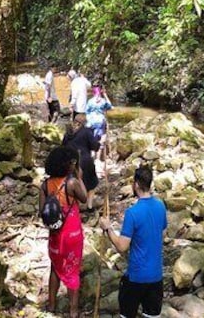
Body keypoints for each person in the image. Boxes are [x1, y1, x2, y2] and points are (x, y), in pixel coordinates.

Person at [99, 165, 167, 318]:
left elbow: (122, 246)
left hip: (136, 276)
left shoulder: (132, 213)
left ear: (136, 185)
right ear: (150, 183)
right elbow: (163, 235)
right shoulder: (160, 206)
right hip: (156, 276)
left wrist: (108, 228)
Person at [39, 146, 87, 318]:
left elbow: (42, 211)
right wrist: (79, 177)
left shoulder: (45, 185)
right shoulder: (72, 183)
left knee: (55, 267)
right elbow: (84, 199)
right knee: (72, 269)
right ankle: (73, 311)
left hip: (55, 234)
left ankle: (51, 306)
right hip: (72, 233)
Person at [62, 115, 100, 211]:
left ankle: (75, 207)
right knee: (92, 183)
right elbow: (95, 146)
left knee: (74, 184)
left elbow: (62, 148)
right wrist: (99, 141)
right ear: (83, 123)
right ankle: (89, 206)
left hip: (71, 163)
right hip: (85, 161)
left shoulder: (68, 133)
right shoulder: (86, 132)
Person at [85, 85, 112, 162]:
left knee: (91, 139)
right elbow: (110, 106)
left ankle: (92, 154)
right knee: (100, 139)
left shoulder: (90, 101)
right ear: (100, 92)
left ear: (93, 93)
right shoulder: (103, 101)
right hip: (100, 122)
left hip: (91, 122)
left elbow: (86, 112)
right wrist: (105, 95)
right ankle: (97, 158)